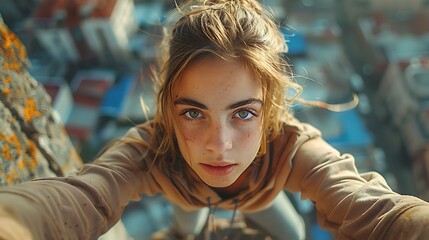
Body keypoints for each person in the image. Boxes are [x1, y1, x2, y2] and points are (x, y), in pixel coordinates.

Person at [1, 0, 429, 239]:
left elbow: (364, 203)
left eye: (243, 113)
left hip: (258, 203)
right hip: (188, 205)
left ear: (271, 111)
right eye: (193, 112)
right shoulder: (152, 148)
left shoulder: (288, 146)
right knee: (186, 232)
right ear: (169, 109)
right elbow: (84, 195)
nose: (218, 144)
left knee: (294, 235)